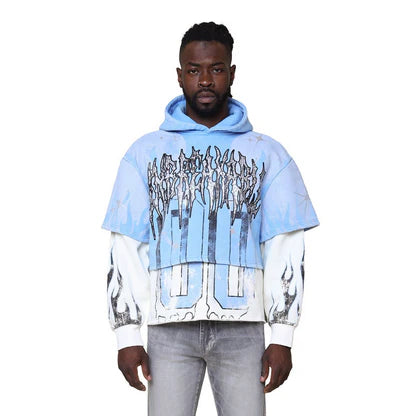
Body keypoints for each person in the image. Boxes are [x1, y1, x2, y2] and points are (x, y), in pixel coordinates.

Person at [101, 21, 319, 416]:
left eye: (216, 69)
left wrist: (283, 334)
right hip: (169, 330)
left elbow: (285, 245)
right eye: (194, 70)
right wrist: (127, 334)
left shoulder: (267, 154)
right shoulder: (144, 154)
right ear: (179, 75)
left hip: (243, 330)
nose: (205, 80)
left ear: (231, 73)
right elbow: (127, 245)